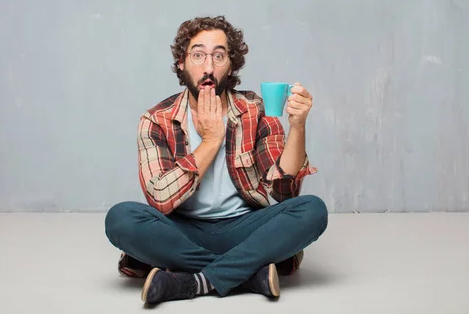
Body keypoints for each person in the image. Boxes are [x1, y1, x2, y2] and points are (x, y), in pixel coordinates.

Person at [104, 15, 328, 305]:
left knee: (312, 210)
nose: (208, 67)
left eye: (219, 56)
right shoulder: (156, 120)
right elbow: (159, 198)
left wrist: (298, 126)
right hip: (181, 231)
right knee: (121, 219)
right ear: (182, 63)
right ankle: (246, 274)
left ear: (231, 65)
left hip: (245, 227)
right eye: (198, 55)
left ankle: (195, 281)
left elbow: (284, 193)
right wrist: (211, 141)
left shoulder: (255, 111)